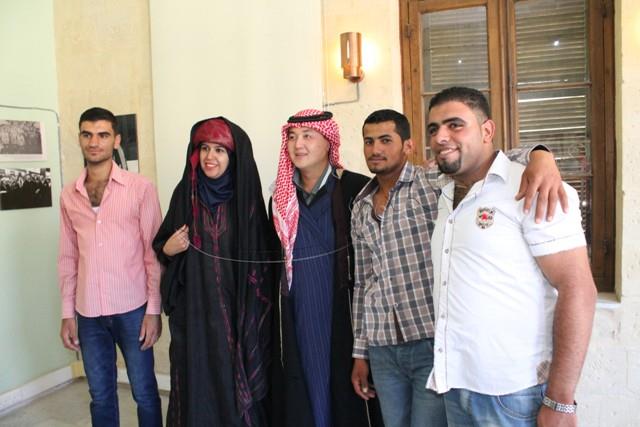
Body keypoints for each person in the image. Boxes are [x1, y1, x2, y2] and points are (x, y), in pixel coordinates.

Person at [350, 108, 568, 427]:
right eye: (369, 142)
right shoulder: (361, 204)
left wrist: (540, 155)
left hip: (430, 341)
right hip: (383, 347)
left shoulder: (430, 183)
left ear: (408, 145)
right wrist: (361, 352)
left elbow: (485, 160)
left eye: (385, 140)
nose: (375, 149)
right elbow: (363, 282)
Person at [426, 87, 597, 426]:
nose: (441, 137)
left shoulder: (533, 187)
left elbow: (577, 288)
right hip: (455, 385)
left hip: (512, 396)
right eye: (433, 129)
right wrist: (540, 152)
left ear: (487, 130)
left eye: (455, 125)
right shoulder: (446, 195)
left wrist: (561, 400)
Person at [152, 117, 276, 427]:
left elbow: (264, 258)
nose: (210, 157)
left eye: (219, 150)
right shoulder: (185, 194)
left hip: (237, 315)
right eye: (204, 148)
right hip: (194, 315)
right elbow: (162, 244)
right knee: (197, 382)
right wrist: (168, 248)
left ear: (233, 156)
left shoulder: (245, 199)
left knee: (233, 382)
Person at [270, 109, 384, 427]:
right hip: (298, 309)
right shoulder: (280, 199)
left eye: (308, 136)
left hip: (345, 309)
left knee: (345, 394)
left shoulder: (357, 188)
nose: (298, 145)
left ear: (329, 141)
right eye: (292, 137)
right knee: (304, 388)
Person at [58, 107, 163, 427]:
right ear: (79, 138)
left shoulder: (140, 188)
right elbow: (68, 257)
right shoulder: (69, 195)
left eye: (103, 135)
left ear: (116, 140)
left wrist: (153, 310)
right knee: (100, 395)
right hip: (88, 313)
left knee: (144, 392)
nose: (94, 142)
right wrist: (67, 313)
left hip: (133, 309)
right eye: (87, 134)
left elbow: (153, 253)